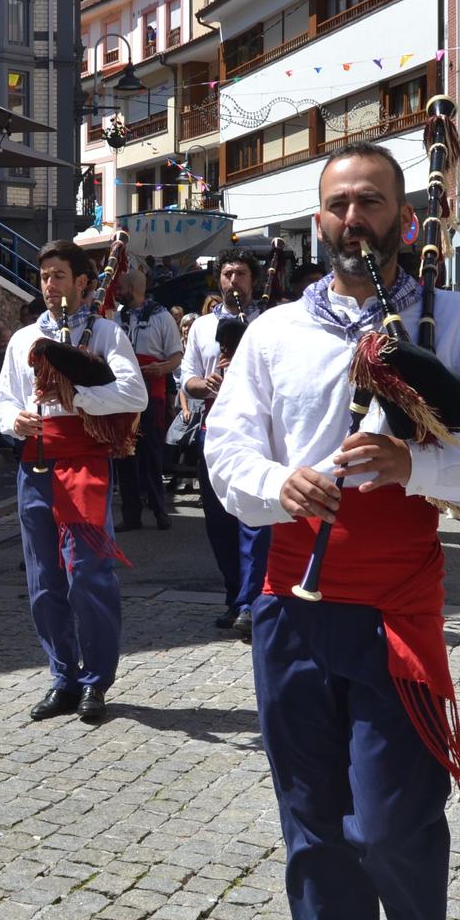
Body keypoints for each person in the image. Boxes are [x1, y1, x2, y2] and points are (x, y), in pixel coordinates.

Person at [204, 142, 460, 920]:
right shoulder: (273, 333)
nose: (356, 219)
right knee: (313, 822)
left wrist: (417, 469)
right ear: (318, 221)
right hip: (291, 606)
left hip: (397, 598)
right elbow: (229, 449)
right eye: (339, 204)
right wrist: (281, 481)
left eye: (373, 202)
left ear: (406, 214)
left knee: (392, 819)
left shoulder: (456, 320)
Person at [0, 241, 147, 725]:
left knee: (88, 575)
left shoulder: (104, 332)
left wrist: (75, 393)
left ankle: (95, 681)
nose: (49, 285)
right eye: (44, 276)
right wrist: (14, 421)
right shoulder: (23, 339)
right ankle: (62, 676)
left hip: (84, 461)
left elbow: (133, 393)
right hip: (35, 461)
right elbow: (5, 400)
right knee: (43, 580)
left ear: (82, 282)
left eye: (59, 275)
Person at [182, 251, 266, 635]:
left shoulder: (270, 323)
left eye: (242, 274)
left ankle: (252, 602)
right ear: (219, 280)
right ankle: (235, 597)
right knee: (219, 522)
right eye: (228, 273)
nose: (234, 280)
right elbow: (187, 380)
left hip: (257, 433)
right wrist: (209, 382)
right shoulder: (201, 327)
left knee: (254, 518)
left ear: (254, 280)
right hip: (214, 431)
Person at [114, 268, 182, 532]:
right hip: (121, 395)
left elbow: (176, 356)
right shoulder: (115, 318)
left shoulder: (161, 317)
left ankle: (159, 509)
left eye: (120, 287)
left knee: (150, 456)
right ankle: (131, 515)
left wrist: (162, 369)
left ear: (133, 288)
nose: (116, 292)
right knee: (124, 456)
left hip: (149, 394)